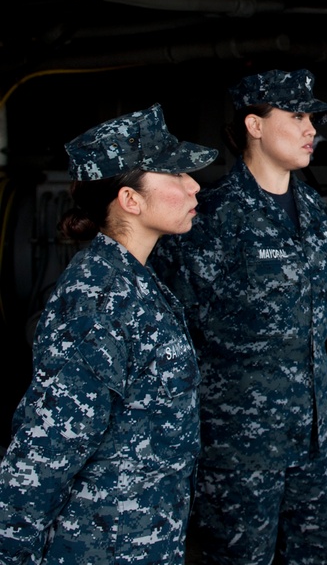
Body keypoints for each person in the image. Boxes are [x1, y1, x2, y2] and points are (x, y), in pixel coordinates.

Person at [151, 70, 327, 565]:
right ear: (254, 125)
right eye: (296, 116)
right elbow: (175, 333)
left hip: (317, 435)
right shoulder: (210, 220)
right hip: (241, 448)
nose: (311, 128)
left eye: (313, 117)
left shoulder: (314, 210)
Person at [0, 105, 217, 564]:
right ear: (130, 200)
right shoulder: (98, 299)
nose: (194, 184)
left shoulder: (133, 279)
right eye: (176, 174)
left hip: (144, 536)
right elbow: (44, 452)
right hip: (101, 545)